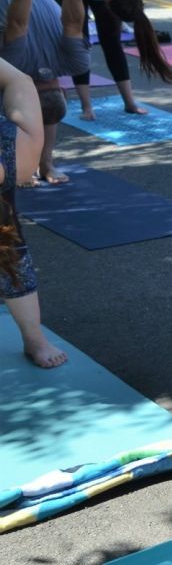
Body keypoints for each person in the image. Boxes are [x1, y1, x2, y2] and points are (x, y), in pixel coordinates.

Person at [0, 54, 67, 367]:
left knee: (10, 252)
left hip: (14, 154)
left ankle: (34, 339)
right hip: (16, 154)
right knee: (9, 251)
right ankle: (35, 339)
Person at [0, 0, 89, 185]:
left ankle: (44, 163)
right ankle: (33, 162)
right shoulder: (16, 66)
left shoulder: (76, 64)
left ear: (62, 91)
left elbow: (74, 23)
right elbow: (18, 23)